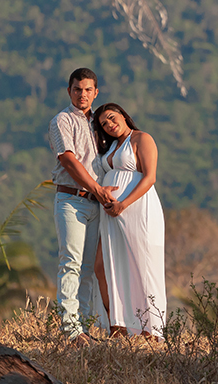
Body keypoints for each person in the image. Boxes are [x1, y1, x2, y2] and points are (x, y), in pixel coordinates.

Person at [48, 67, 116, 342]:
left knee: (88, 267)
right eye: (77, 89)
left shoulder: (98, 123)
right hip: (71, 200)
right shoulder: (62, 120)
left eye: (88, 90)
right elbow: (68, 160)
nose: (83, 94)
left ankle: (84, 327)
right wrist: (98, 189)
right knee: (71, 263)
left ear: (96, 92)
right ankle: (70, 328)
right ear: (69, 91)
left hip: (96, 204)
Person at [94, 102, 168, 339]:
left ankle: (151, 329)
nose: (110, 125)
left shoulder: (141, 138)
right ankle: (118, 323)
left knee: (143, 266)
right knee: (106, 265)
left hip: (137, 209)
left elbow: (150, 177)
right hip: (112, 214)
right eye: (104, 124)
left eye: (113, 118)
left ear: (124, 116)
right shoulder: (112, 146)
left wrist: (123, 204)